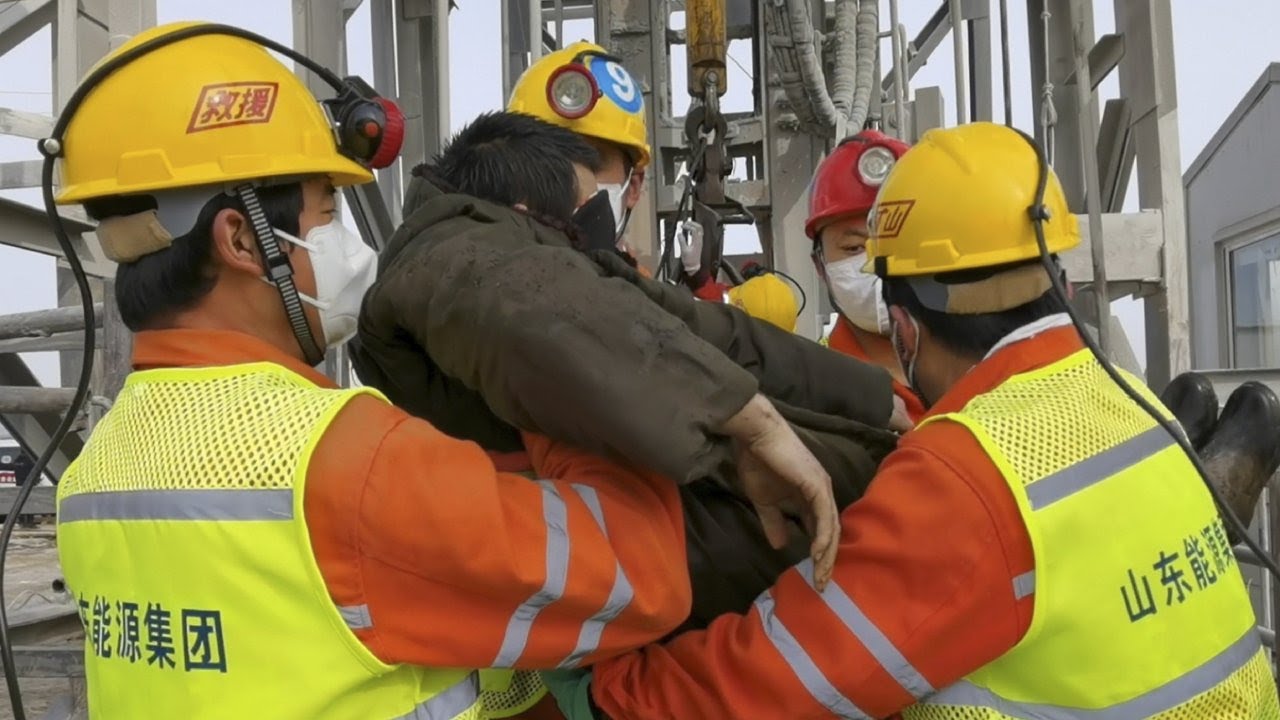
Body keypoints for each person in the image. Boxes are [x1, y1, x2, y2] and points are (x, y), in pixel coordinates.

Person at [47, 23, 833, 719]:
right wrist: (556, 371)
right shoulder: (342, 461)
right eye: (327, 214)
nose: (347, 247)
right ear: (242, 241)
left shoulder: (94, 478)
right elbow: (640, 579)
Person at [545, 122, 1279, 719]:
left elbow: (778, 679)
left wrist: (609, 697)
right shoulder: (1125, 396)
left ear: (907, 326)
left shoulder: (970, 473)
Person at [352, 110, 902, 633]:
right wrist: (750, 421)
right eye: (590, 205)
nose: (606, 218)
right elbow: (532, 307)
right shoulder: (446, 256)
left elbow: (705, 326)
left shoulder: (550, 266)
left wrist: (876, 397)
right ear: (525, 213)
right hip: (586, 611)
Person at [808, 130, 928, 422]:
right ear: (820, 267)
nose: (877, 262)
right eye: (853, 247)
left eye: (897, 241)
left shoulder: (988, 371)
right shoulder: (814, 387)